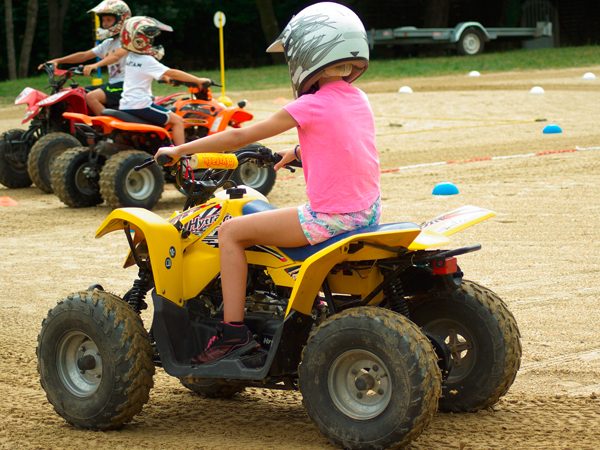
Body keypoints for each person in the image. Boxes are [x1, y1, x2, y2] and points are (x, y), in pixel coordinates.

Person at [154, 2, 381, 364]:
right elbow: (346, 142)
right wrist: (296, 150)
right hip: (366, 212)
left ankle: (233, 334)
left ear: (308, 53)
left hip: (329, 218)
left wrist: (179, 149)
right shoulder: (359, 98)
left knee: (231, 232)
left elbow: (235, 138)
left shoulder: (310, 105)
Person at [85, 16, 210, 146]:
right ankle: (181, 157)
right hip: (142, 106)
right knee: (177, 120)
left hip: (126, 105)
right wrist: (198, 80)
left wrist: (166, 78)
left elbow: (151, 73)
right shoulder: (147, 60)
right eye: (150, 38)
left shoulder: (130, 57)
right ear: (141, 40)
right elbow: (172, 72)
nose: (151, 42)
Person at [40, 0, 131, 115]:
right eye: (103, 20)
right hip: (113, 85)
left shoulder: (128, 41)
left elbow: (116, 56)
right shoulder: (107, 43)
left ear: (122, 20)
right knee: (79, 94)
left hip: (126, 85)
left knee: (92, 97)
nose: (105, 24)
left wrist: (95, 65)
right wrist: (58, 60)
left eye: (109, 20)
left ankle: (110, 130)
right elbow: (84, 55)